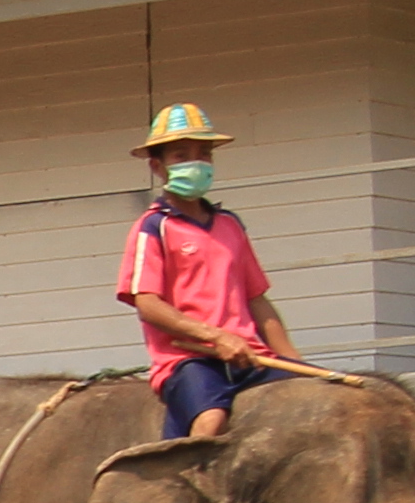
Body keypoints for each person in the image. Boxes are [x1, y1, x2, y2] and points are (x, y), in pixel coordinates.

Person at [115, 103, 300, 440]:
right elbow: (148, 304)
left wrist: (295, 362)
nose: (195, 163)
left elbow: (257, 299)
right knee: (212, 421)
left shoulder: (230, 224)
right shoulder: (153, 227)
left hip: (249, 357)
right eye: (181, 155)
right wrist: (217, 337)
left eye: (203, 154)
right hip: (189, 360)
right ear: (158, 166)